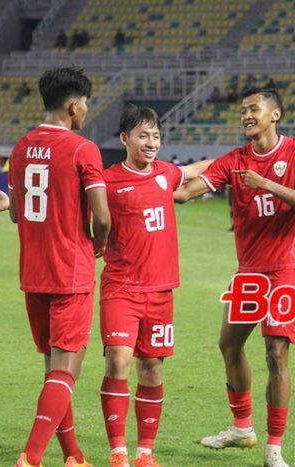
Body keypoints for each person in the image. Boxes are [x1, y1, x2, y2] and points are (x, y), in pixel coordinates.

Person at [173, 87, 295, 467]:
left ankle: (274, 449)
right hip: (250, 272)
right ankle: (242, 428)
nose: (246, 115)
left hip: (288, 269)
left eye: (254, 109)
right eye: (242, 111)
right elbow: (183, 194)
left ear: (276, 114)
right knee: (228, 345)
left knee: (276, 353)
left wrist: (268, 184)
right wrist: (159, 175)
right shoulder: (234, 161)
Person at [0, 67, 111, 467]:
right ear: (74, 105)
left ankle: (73, 456)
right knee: (66, 371)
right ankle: (31, 458)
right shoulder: (82, 149)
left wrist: (8, 205)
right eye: (86, 103)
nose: (86, 110)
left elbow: (18, 215)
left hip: (33, 274)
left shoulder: (20, 148)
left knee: (53, 370)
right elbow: (103, 218)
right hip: (70, 273)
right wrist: (100, 244)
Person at [99, 106, 211, 467]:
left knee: (153, 369)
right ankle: (118, 451)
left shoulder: (165, 173)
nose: (151, 143)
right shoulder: (108, 180)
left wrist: (237, 158)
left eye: (156, 136)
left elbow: (193, 172)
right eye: (143, 136)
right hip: (121, 287)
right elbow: (67, 201)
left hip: (161, 292)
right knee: (119, 360)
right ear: (125, 139)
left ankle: (145, 452)